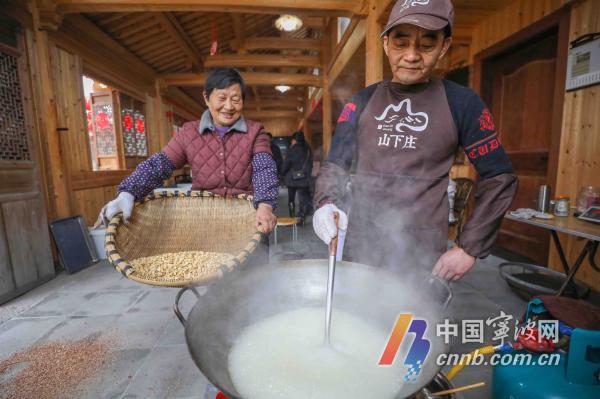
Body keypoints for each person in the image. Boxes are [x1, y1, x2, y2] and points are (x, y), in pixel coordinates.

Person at [312, 0, 518, 281]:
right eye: (401, 42)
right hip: (362, 243)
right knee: (358, 319)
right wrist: (326, 204)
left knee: (409, 325)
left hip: (421, 253)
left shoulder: (463, 103)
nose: (411, 55)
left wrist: (469, 247)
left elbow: (500, 176)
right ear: (386, 44)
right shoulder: (361, 101)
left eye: (426, 44)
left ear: (444, 46)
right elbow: (335, 164)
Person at [101, 68, 279, 233]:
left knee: (254, 266)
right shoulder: (189, 132)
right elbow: (160, 164)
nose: (229, 107)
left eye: (235, 99)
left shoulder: (255, 131)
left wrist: (265, 205)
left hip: (247, 219)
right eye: (222, 98)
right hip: (203, 222)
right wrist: (129, 192)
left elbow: (264, 168)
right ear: (206, 98)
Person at [282, 131, 313, 225]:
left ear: (295, 140)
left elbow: (286, 165)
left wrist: (282, 173)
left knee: (291, 199)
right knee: (303, 199)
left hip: (292, 179)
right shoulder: (307, 149)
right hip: (304, 178)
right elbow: (310, 164)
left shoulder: (292, 150)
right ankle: (302, 219)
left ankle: (292, 219)